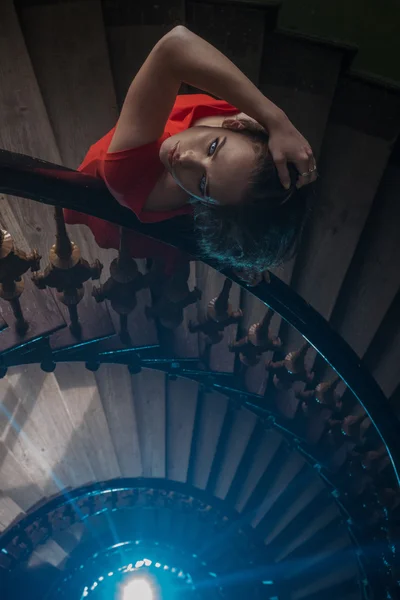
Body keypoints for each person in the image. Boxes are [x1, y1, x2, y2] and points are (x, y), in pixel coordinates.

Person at [64, 25, 317, 279]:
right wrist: (275, 120)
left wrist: (274, 119)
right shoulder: (251, 126)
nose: (184, 158)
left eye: (203, 183)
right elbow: (175, 47)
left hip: (133, 207)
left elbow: (172, 49)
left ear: (207, 207)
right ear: (237, 124)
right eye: (213, 147)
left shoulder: (127, 175)